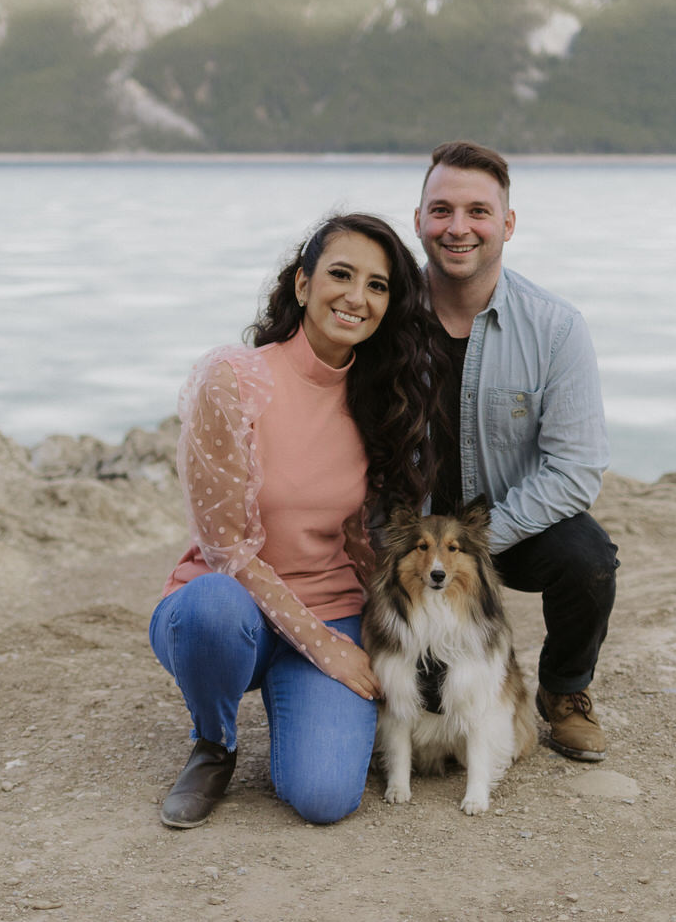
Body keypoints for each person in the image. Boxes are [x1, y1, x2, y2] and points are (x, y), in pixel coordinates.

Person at [150, 213, 434, 828]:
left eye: (378, 285)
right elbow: (226, 550)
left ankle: (296, 718)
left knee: (326, 798)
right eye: (341, 274)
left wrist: (387, 634)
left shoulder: (380, 397)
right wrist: (328, 650)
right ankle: (214, 742)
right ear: (302, 286)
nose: (358, 297)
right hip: (231, 609)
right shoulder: (233, 379)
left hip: (329, 606)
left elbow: (359, 540)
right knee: (212, 608)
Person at [416, 140, 617, 762]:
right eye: (442, 209)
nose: (458, 228)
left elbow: (576, 468)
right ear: (419, 219)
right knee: (419, 709)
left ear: (506, 224)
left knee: (588, 558)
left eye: (478, 211)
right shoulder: (382, 316)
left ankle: (564, 690)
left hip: (506, 525)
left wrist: (478, 542)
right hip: (406, 529)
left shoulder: (555, 328)